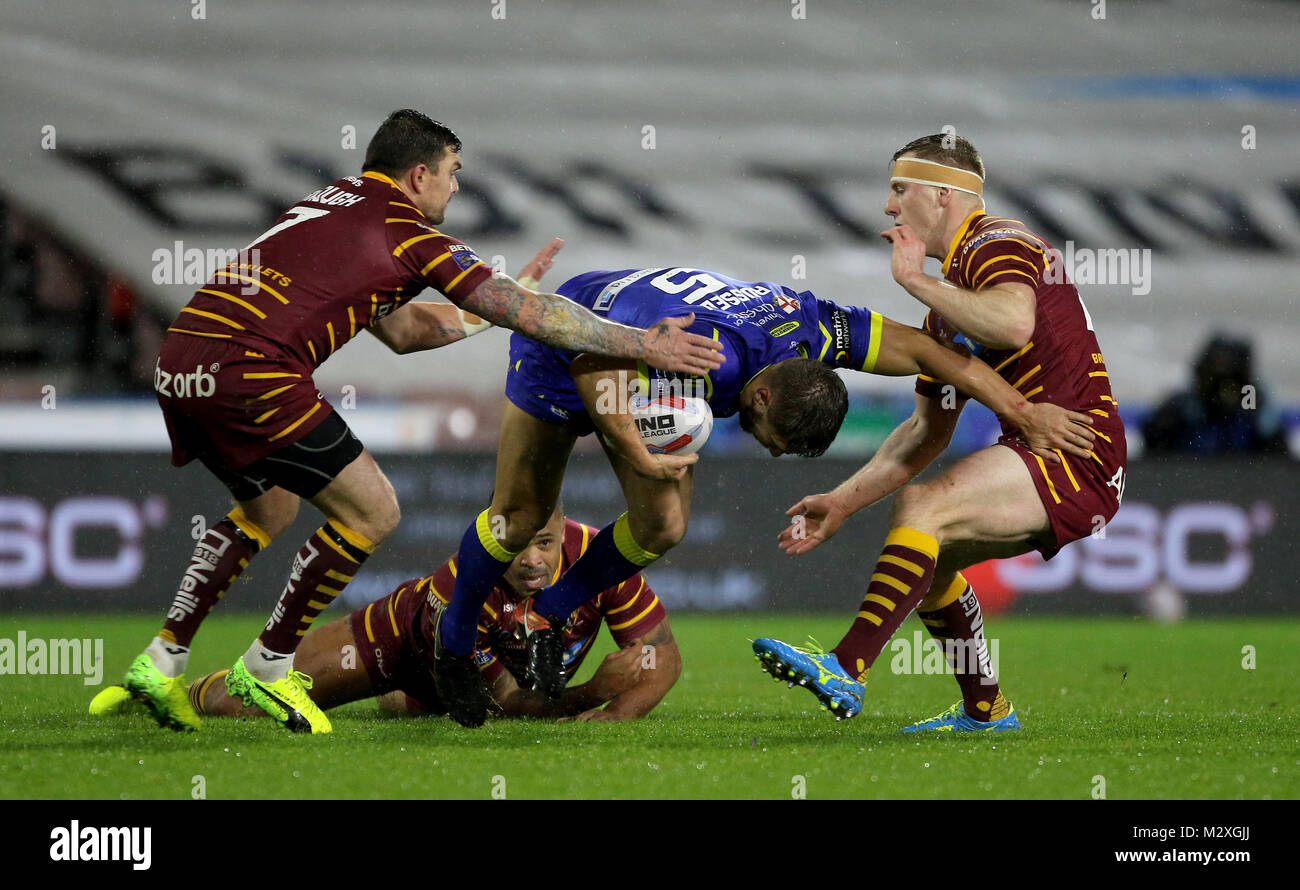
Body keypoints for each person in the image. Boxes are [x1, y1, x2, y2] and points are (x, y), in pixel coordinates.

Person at [123, 109, 723, 735]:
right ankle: (267, 666)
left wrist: (493, 309)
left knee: (267, 511)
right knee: (373, 511)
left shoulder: (325, 207)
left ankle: (164, 657)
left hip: (182, 359)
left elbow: (407, 331)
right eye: (452, 172)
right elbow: (540, 320)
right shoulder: (408, 232)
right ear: (418, 174)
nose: (457, 187)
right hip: (254, 369)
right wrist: (642, 345)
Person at [435, 247, 1098, 728]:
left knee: (664, 526)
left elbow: (933, 356)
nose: (762, 448)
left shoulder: (818, 328)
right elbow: (591, 355)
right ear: (755, 395)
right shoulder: (712, 357)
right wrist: (632, 445)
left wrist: (1021, 413)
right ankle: (456, 651)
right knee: (519, 517)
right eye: (764, 435)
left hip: (653, 368)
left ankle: (546, 615)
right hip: (572, 334)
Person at [754, 133, 1123, 731]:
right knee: (929, 562)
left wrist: (914, 280)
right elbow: (925, 433)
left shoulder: (994, 242)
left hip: (1075, 451)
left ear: (945, 196)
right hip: (1042, 450)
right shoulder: (949, 307)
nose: (889, 207)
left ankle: (846, 668)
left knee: (924, 507)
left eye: (901, 190)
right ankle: (986, 709)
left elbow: (1012, 323)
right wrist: (842, 502)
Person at [93, 507, 679, 723]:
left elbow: (663, 660)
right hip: (397, 639)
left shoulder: (597, 560)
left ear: (561, 537)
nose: (531, 560)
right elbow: (503, 703)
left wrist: (615, 716)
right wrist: (589, 694)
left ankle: (410, 704)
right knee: (251, 702)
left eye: (544, 544)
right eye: (518, 545)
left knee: (427, 708)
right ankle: (173, 693)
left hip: (466, 683)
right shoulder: (465, 584)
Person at [1142, 333, 1288, 455]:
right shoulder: (1181, 410)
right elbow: (1153, 454)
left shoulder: (1257, 414)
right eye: (1216, 371)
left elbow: (1277, 464)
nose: (1224, 390)